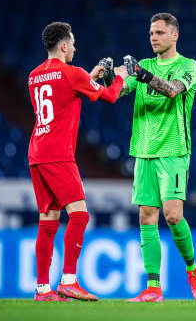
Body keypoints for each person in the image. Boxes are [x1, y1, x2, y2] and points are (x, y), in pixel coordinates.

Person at [28, 21, 128, 301]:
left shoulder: (34, 75)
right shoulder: (72, 73)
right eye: (72, 43)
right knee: (80, 215)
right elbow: (109, 96)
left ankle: (42, 289)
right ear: (62, 45)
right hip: (58, 154)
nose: (75, 47)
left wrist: (91, 75)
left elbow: (63, 95)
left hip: (37, 152)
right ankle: (69, 281)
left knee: (48, 220)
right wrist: (119, 76)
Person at [119, 13, 196, 302]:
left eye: (159, 32)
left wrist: (140, 74)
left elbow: (172, 91)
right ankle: (153, 287)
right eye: (151, 33)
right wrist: (108, 75)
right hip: (143, 150)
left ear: (174, 35)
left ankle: (192, 269)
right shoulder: (144, 66)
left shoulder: (188, 65)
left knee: (172, 214)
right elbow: (118, 90)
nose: (153, 37)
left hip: (174, 151)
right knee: (146, 216)